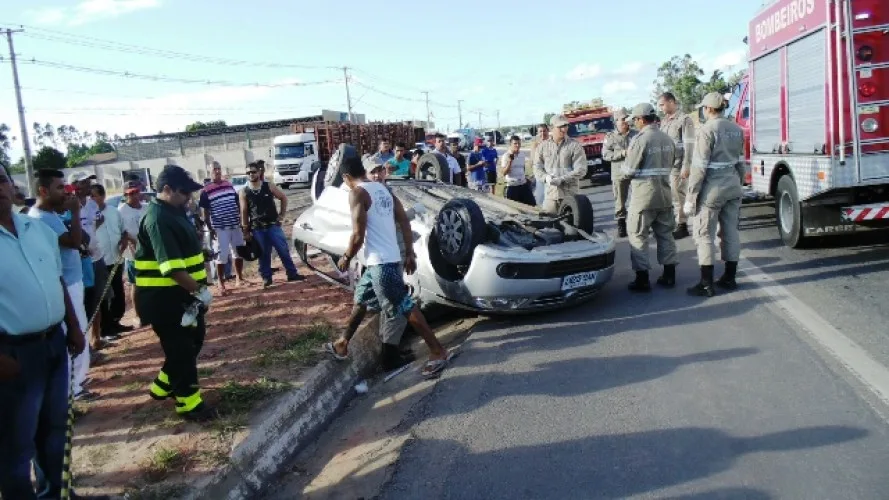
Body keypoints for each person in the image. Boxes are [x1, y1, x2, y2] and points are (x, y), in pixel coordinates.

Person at [1, 165, 95, 499]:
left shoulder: (34, 229)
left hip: (54, 342)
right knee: (16, 447)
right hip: (13, 356)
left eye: (1, 178)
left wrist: (73, 327)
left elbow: (55, 280)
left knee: (54, 433)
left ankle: (57, 494)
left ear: (12, 186)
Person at [324, 156, 450, 378]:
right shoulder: (383, 190)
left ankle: (438, 351)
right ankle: (343, 343)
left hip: (382, 264)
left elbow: (357, 235)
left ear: (345, 177)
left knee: (405, 306)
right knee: (362, 300)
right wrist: (409, 252)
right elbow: (403, 221)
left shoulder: (357, 193)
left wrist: (345, 257)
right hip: (381, 261)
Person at [136, 165, 216, 422]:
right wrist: (201, 291)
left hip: (184, 297)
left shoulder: (174, 212)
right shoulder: (158, 219)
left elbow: (181, 250)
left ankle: (163, 386)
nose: (189, 198)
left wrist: (200, 255)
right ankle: (190, 405)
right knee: (181, 350)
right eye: (184, 193)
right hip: (166, 301)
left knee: (193, 342)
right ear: (167, 189)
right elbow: (170, 268)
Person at [28, 169, 96, 400]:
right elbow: (74, 242)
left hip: (72, 281)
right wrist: (75, 212)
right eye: (59, 188)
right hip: (64, 285)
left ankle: (77, 381)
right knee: (74, 334)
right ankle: (73, 389)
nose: (65, 193)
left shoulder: (52, 214)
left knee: (80, 330)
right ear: (43, 191)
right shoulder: (40, 218)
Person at [685, 92, 746, 297]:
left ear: (709, 109)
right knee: (731, 232)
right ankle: (730, 278)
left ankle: (706, 284)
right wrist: (740, 184)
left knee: (704, 235)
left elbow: (699, 168)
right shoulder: (736, 129)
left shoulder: (706, 130)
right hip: (733, 186)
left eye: (704, 107)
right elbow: (740, 163)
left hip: (712, 190)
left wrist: (690, 196)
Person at [622, 103, 679, 292]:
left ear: (640, 119)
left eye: (635, 120)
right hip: (664, 194)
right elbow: (673, 163)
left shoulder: (640, 140)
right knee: (665, 235)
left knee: (638, 235)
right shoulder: (667, 138)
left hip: (643, 196)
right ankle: (669, 275)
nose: (634, 124)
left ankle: (642, 279)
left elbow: (628, 171)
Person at [239, 162, 304, 288]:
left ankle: (292, 273)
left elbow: (283, 198)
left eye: (253, 172)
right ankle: (266, 278)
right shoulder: (244, 192)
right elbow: (244, 212)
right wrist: (245, 231)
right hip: (257, 228)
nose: (251, 174)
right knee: (263, 254)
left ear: (259, 172)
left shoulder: (268, 186)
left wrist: (281, 216)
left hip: (273, 226)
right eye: (248, 173)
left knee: (283, 250)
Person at [199, 161, 248, 296]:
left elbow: (236, 202)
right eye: (214, 169)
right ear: (209, 172)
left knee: (238, 251)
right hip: (220, 227)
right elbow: (205, 212)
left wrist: (241, 220)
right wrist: (210, 227)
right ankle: (221, 282)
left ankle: (239, 277)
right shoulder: (206, 191)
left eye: (219, 169)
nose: (218, 171)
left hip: (234, 224)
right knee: (221, 255)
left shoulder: (229, 185)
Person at [91, 184, 132, 338]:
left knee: (118, 294)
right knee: (104, 296)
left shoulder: (114, 212)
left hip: (116, 258)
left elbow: (124, 231)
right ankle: (105, 329)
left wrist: (124, 240)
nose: (92, 199)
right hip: (100, 261)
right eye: (91, 196)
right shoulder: (88, 215)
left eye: (95, 195)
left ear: (102, 196)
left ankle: (115, 323)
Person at [657, 92, 696, 240]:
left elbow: (689, 144)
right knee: (672, 196)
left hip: (679, 164)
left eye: (662, 104)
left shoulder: (684, 120)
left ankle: (682, 225)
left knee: (679, 195)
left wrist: (687, 165)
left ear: (671, 102)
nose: (661, 108)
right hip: (668, 165)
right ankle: (677, 222)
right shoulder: (665, 121)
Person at [533, 115, 588, 214]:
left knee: (574, 225)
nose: (564, 129)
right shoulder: (542, 147)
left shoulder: (574, 145)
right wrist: (546, 178)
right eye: (560, 127)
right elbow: (537, 167)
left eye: (566, 126)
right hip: (551, 194)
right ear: (551, 128)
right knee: (547, 221)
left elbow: (581, 170)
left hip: (570, 194)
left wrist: (561, 179)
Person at [602, 107, 638, 237]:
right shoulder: (610, 137)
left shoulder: (636, 134)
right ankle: (621, 224)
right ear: (616, 121)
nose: (625, 121)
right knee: (620, 202)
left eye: (626, 118)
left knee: (638, 199)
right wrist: (623, 153)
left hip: (635, 171)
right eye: (622, 119)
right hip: (619, 172)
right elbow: (605, 154)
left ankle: (638, 224)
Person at [118, 181, 147, 326]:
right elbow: (122, 233)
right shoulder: (121, 211)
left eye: (137, 191)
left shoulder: (147, 208)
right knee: (136, 284)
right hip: (133, 255)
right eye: (131, 193)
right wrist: (131, 240)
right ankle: (137, 314)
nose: (135, 195)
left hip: (149, 253)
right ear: (125, 194)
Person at [500, 135, 535, 206]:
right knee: (514, 210)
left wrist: (525, 178)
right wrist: (510, 161)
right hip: (512, 187)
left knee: (532, 205)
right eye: (515, 143)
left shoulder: (522, 154)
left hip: (523, 185)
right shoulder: (506, 156)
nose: (517, 145)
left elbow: (523, 168)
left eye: (519, 143)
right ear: (510, 144)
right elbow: (503, 173)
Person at [529, 123, 550, 206]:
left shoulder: (553, 143)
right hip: (541, 176)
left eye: (544, 131)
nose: (542, 133)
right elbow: (532, 162)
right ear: (537, 133)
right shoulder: (535, 145)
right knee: (541, 199)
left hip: (552, 173)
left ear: (548, 131)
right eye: (540, 131)